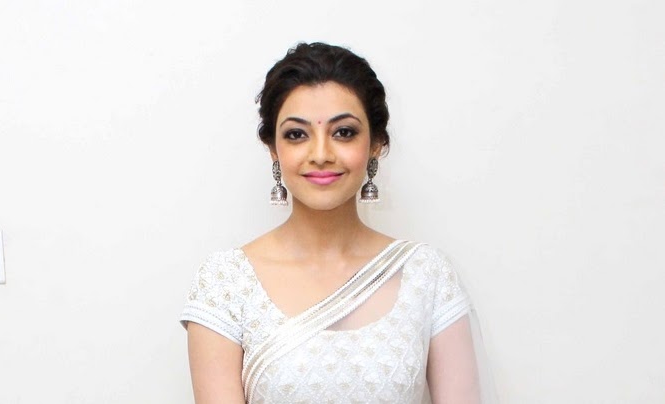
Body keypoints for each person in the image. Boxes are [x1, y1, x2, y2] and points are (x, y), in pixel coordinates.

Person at [180, 42, 494, 403]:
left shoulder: (427, 275)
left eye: (343, 132)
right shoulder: (226, 283)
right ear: (273, 149)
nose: (321, 155)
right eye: (297, 134)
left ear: (376, 143)